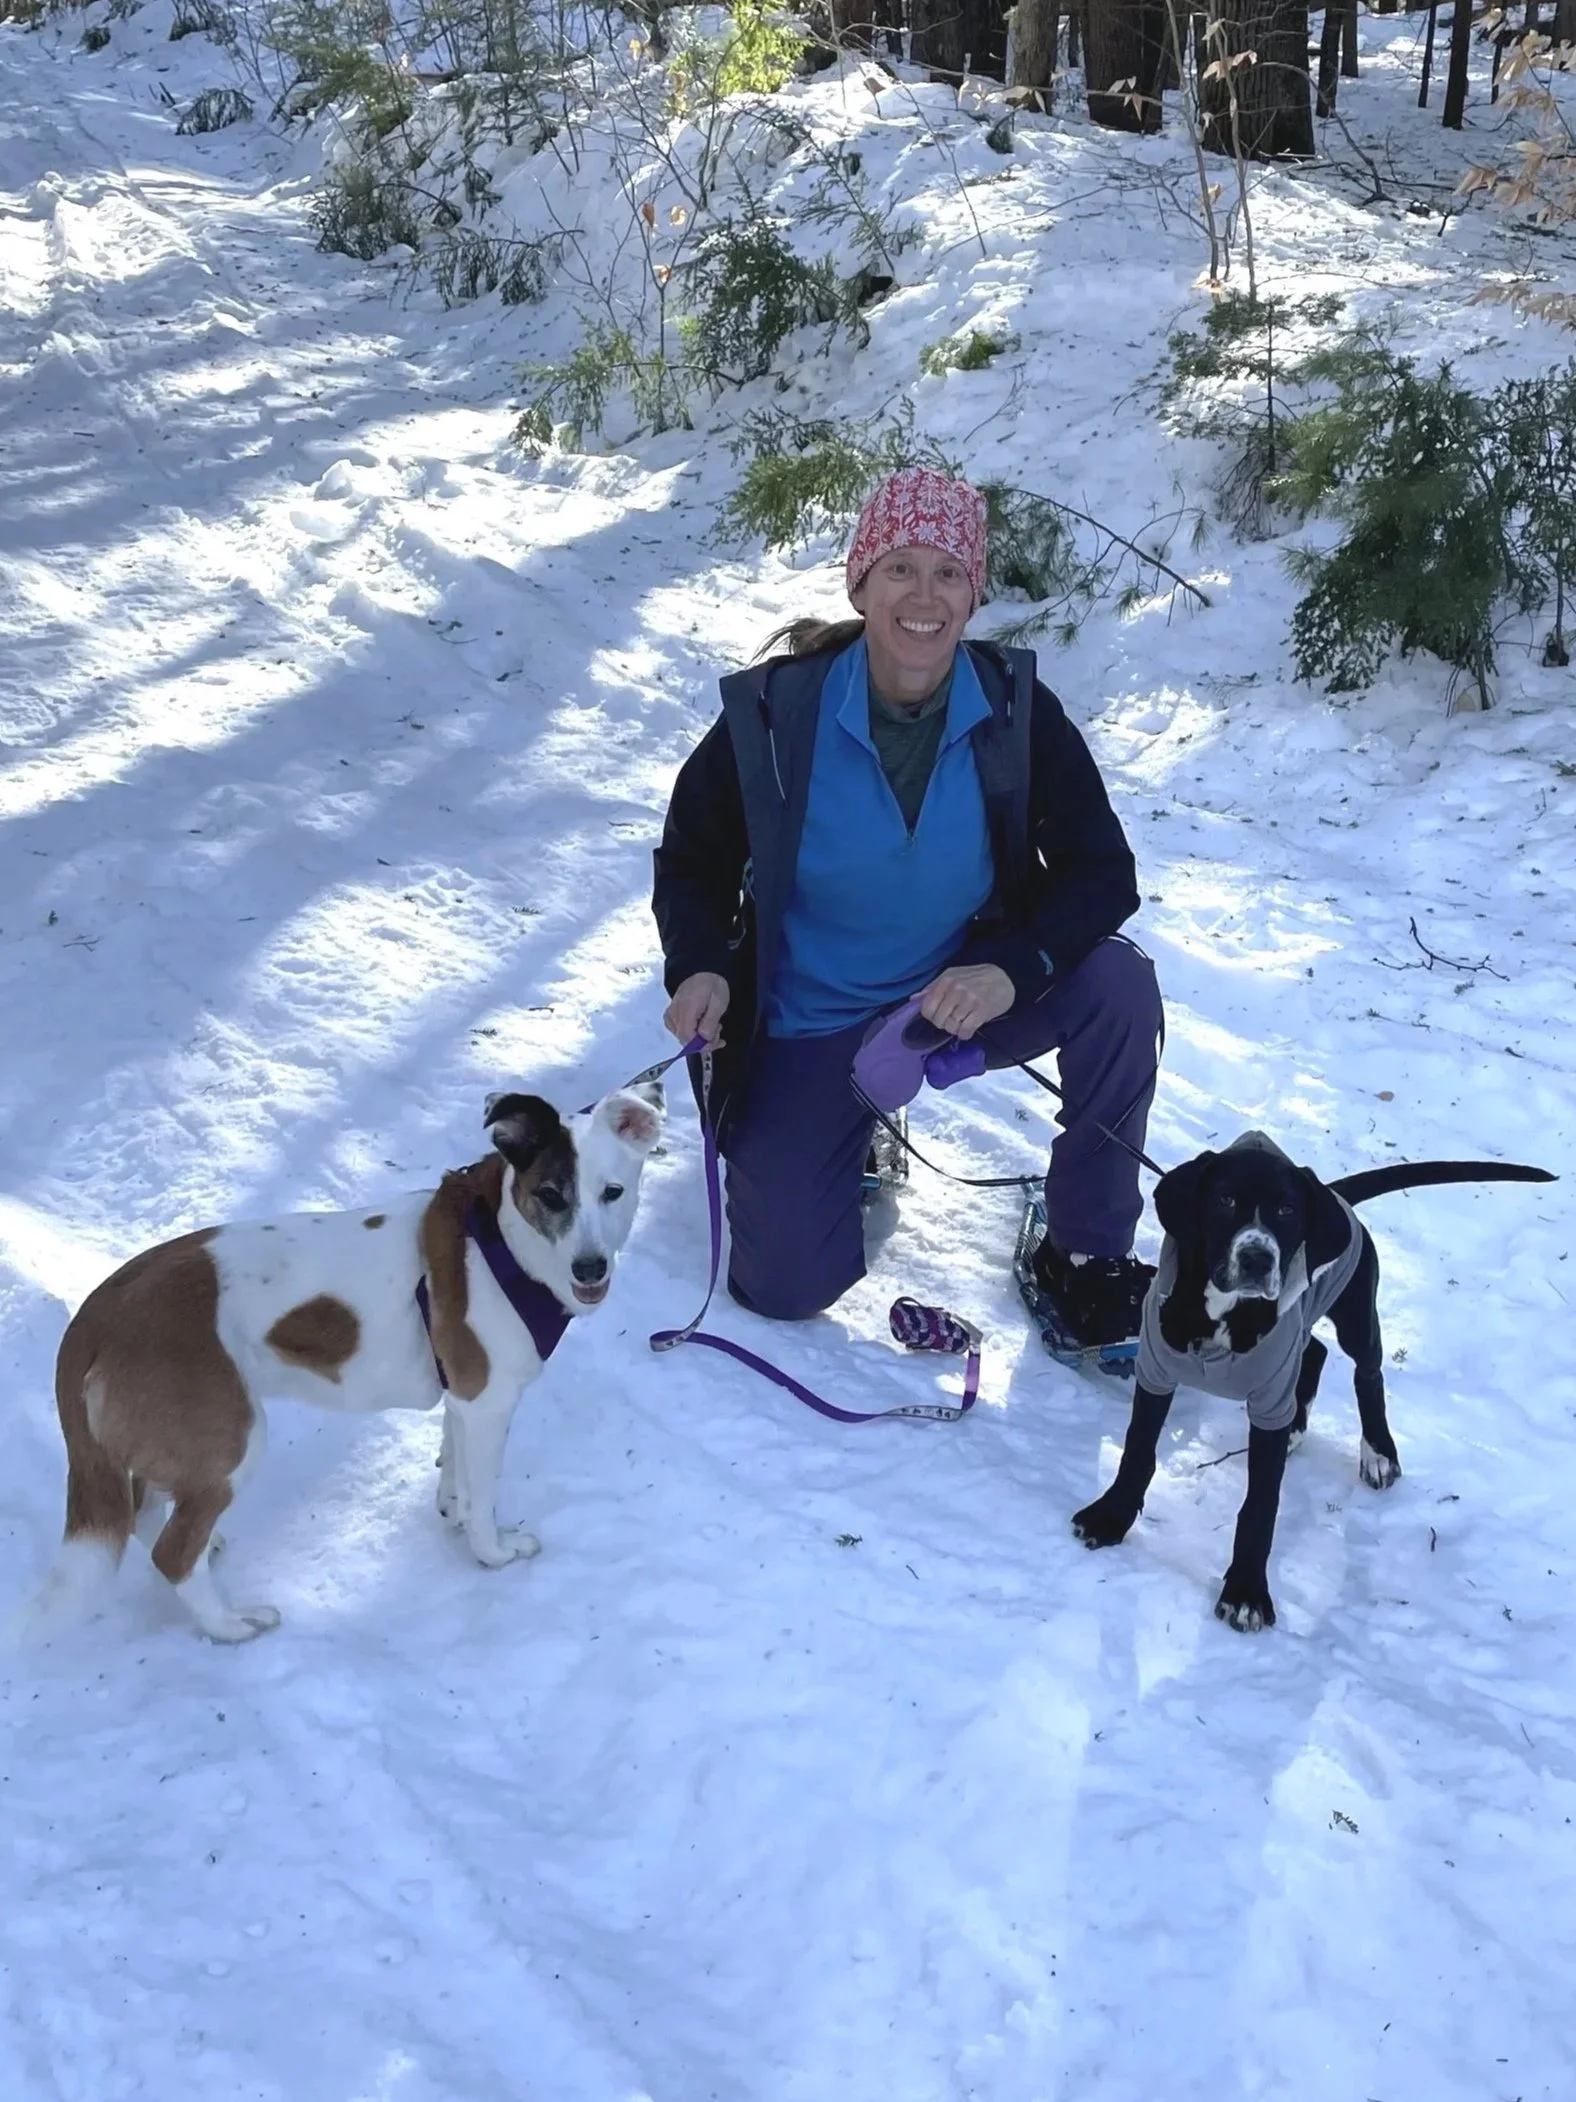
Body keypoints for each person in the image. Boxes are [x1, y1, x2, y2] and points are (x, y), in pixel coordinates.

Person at [650, 466, 1163, 1349]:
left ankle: (1082, 1251)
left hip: (956, 1000)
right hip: (811, 1018)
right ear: (859, 582)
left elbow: (1102, 872)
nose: (924, 596)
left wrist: (1012, 967)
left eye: (949, 573)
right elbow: (693, 858)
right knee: (779, 1291)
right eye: (900, 569)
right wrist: (701, 965)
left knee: (1117, 984)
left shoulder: (1014, 710)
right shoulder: (777, 715)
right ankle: (850, 1139)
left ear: (974, 594)